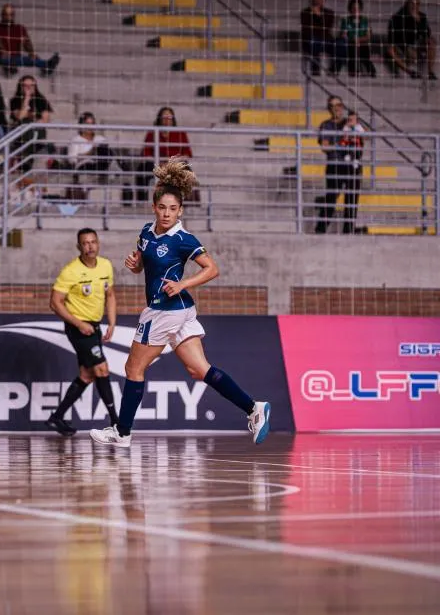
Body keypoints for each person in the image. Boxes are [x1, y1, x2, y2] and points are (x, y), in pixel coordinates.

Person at [89, 158, 271, 448]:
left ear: (180, 211)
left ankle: (122, 432)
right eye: (162, 207)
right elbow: (144, 265)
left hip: (164, 310)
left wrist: (183, 283)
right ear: (153, 207)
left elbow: (212, 269)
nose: (167, 214)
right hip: (179, 311)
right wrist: (135, 265)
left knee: (133, 370)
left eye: (173, 209)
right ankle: (254, 408)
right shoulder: (147, 232)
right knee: (199, 370)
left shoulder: (184, 239)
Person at [45, 228, 118, 437]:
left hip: (94, 326)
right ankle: (116, 422)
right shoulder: (71, 271)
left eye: (93, 242)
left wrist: (112, 322)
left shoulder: (105, 265)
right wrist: (78, 323)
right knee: (101, 370)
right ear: (79, 247)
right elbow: (55, 303)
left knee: (87, 375)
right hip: (79, 328)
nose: (90, 246)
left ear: (98, 243)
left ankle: (56, 417)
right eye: (85, 243)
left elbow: (110, 294)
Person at [314, 96, 357, 234]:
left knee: (351, 200)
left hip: (351, 165)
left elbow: (363, 137)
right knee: (331, 198)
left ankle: (348, 232)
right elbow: (325, 147)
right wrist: (341, 144)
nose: (337, 108)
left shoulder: (350, 122)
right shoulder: (326, 125)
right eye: (333, 106)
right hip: (335, 165)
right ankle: (320, 230)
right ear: (329, 109)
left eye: (339, 104)